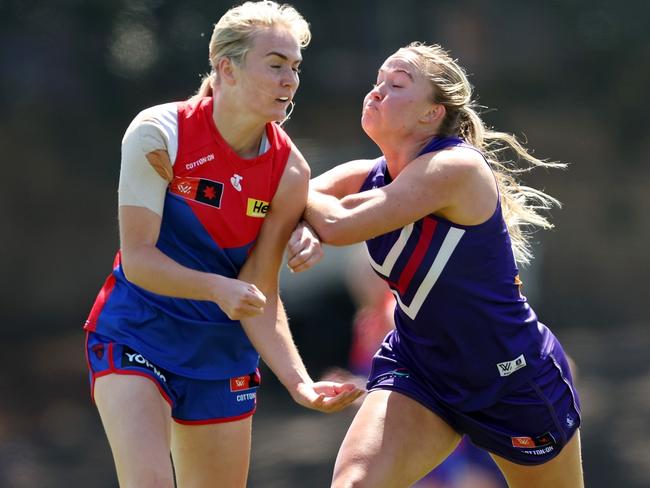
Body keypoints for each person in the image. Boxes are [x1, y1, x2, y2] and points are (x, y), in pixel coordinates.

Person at [82, 2, 361, 487]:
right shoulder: (158, 133)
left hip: (220, 351)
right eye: (275, 65)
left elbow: (259, 291)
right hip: (137, 331)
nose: (290, 80)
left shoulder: (290, 171)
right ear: (225, 68)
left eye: (294, 67)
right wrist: (218, 288)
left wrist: (300, 384)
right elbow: (140, 259)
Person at [288, 42, 583, 487]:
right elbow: (302, 207)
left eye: (397, 84)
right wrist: (304, 219)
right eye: (377, 82)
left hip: (509, 378)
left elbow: (336, 219)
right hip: (420, 366)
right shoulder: (366, 174)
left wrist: (302, 203)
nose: (376, 92)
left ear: (432, 113)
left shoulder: (456, 167)